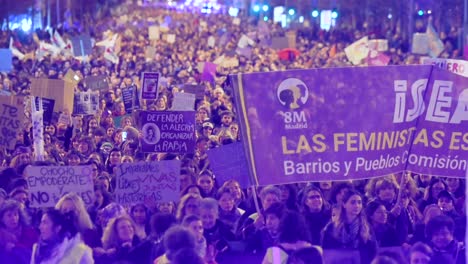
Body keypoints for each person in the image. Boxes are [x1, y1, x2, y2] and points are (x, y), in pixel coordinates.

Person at [322, 190, 377, 264]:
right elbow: (327, 252)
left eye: (359, 202)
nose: (357, 205)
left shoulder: (366, 227)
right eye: (353, 202)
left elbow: (373, 252)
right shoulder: (331, 227)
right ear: (344, 204)